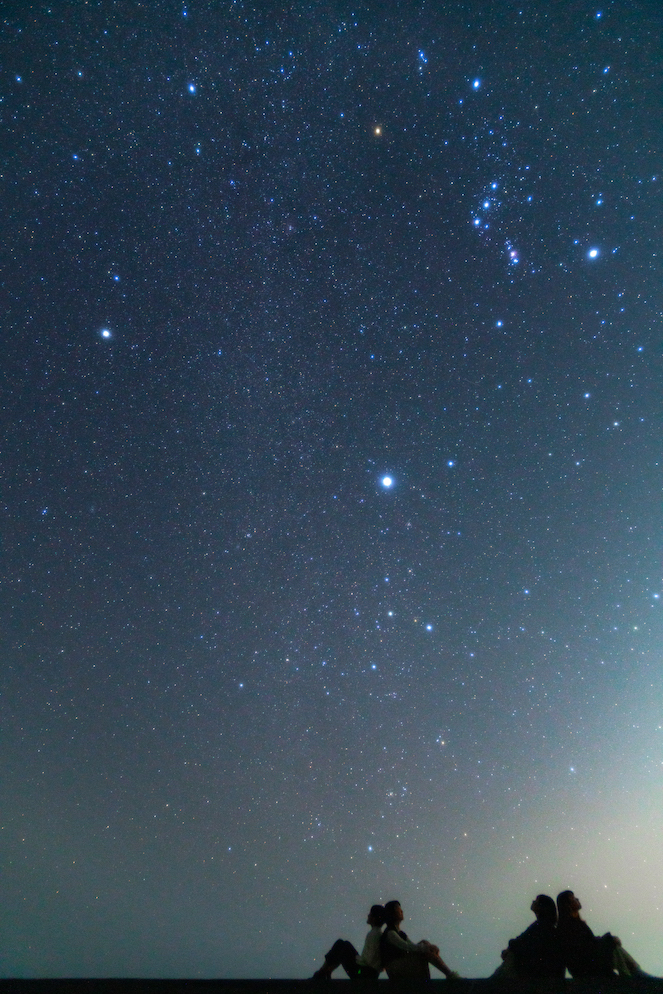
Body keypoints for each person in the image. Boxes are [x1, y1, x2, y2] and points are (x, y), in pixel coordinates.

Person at [556, 890, 648, 978]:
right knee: (615, 949)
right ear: (568, 905)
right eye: (574, 899)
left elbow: (590, 942)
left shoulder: (574, 924)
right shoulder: (570, 926)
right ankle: (632, 975)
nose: (577, 900)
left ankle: (634, 973)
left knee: (615, 948)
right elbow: (587, 947)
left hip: (588, 964)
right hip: (587, 967)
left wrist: (609, 939)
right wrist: (609, 940)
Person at [380, 899, 460, 980]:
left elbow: (413, 946)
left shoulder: (400, 933)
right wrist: (428, 948)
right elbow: (406, 947)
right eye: (398, 909)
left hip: (400, 964)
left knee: (424, 944)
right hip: (394, 968)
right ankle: (448, 974)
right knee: (423, 951)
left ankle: (448, 974)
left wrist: (427, 947)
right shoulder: (390, 933)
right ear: (392, 913)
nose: (401, 911)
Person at [492, 894, 564, 979]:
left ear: (541, 907)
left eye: (536, 901)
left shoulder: (541, 926)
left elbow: (520, 943)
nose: (533, 902)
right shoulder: (542, 925)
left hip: (536, 971)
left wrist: (510, 949)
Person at [311, 904, 385, 979]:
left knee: (342, 946)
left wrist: (356, 958)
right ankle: (326, 971)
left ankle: (323, 971)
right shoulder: (377, 933)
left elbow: (369, 960)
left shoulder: (374, 934)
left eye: (370, 914)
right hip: (367, 972)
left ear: (374, 918)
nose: (368, 915)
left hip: (362, 972)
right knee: (343, 944)